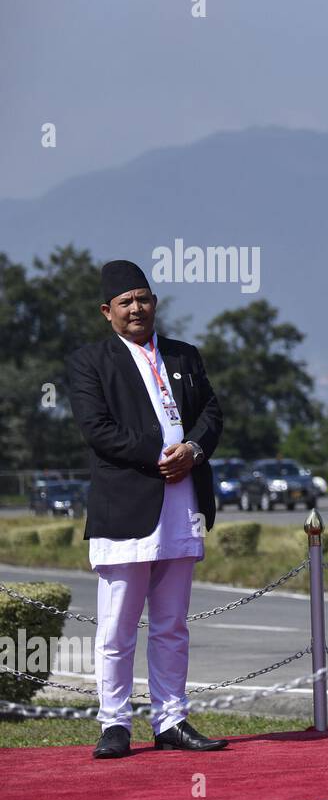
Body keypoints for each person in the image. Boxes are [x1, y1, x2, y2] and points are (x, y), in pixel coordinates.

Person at [67, 259, 226, 759]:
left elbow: (211, 413)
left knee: (172, 623)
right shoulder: (90, 362)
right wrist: (159, 454)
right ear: (106, 312)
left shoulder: (184, 354)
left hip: (184, 503)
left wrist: (194, 450)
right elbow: (97, 430)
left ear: (155, 303)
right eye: (125, 302)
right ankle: (114, 722)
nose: (136, 308)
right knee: (117, 626)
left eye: (144, 298)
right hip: (127, 506)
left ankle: (171, 718)